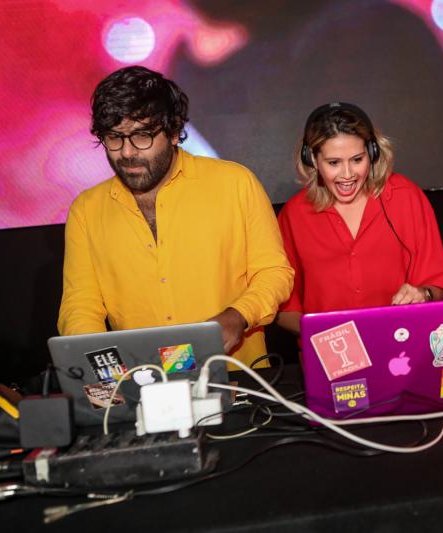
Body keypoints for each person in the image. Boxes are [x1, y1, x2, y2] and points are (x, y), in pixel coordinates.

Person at [58, 66, 294, 364]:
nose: (127, 152)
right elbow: (80, 305)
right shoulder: (87, 209)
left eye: (142, 136)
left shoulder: (235, 183)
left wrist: (239, 315)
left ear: (173, 132)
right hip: (143, 380)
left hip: (237, 373)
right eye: (114, 138)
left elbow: (273, 272)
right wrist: (100, 369)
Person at [276, 102, 443, 334]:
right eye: (334, 163)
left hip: (400, 343)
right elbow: (284, 309)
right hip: (329, 351)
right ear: (313, 160)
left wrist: (422, 294)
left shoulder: (407, 197)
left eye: (357, 160)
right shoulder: (294, 214)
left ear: (372, 153)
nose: (348, 174)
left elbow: (435, 287)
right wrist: (325, 336)